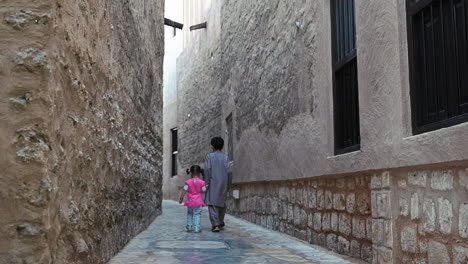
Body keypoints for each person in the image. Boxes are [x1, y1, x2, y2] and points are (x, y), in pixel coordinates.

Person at [204, 137, 233, 232]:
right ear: (222, 146)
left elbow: (207, 170)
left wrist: (206, 183)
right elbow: (229, 172)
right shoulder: (225, 157)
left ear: (212, 146)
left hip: (213, 182)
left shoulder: (209, 157)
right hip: (224, 183)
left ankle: (215, 224)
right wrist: (229, 184)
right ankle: (220, 221)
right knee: (221, 203)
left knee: (212, 204)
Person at [179, 165, 208, 233]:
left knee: (190, 213)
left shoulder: (188, 182)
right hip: (198, 201)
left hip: (190, 201)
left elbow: (184, 190)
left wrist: (181, 198)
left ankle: (189, 226)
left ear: (191, 173)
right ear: (199, 173)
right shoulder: (202, 182)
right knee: (197, 214)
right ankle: (197, 227)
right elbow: (203, 190)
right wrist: (206, 187)